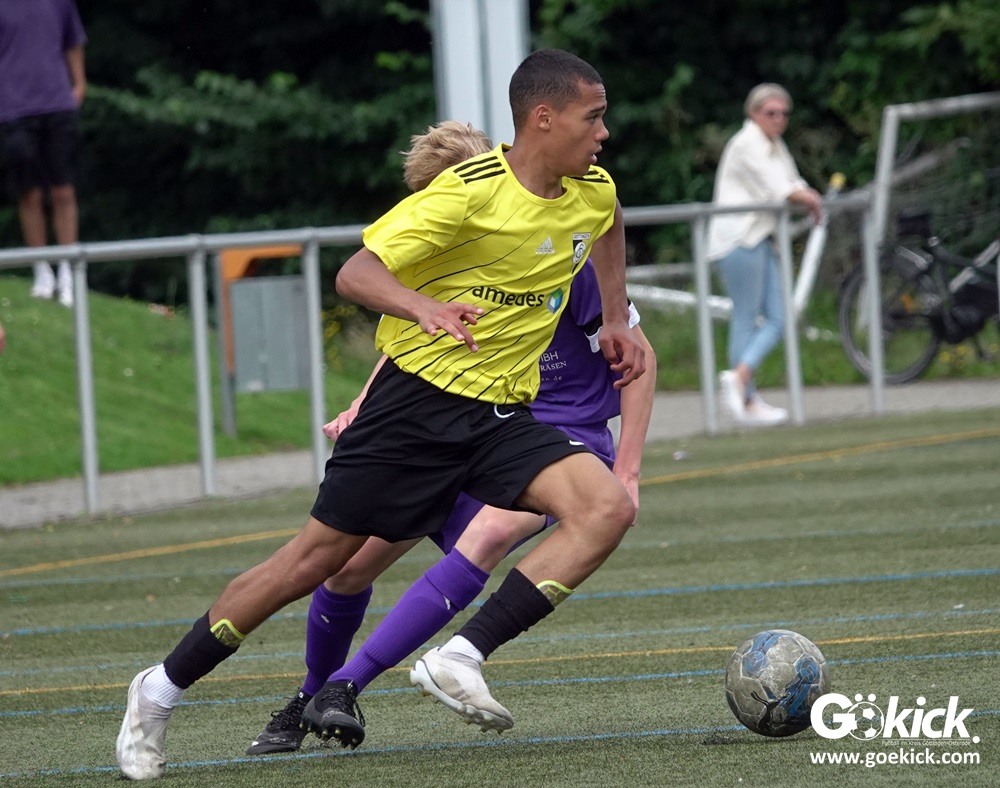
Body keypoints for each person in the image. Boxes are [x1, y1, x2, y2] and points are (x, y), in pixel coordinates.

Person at [116, 48, 645, 780]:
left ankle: (460, 655)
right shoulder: (466, 193)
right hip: (413, 410)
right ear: (544, 118)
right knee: (312, 564)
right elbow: (356, 272)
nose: (604, 133)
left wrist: (615, 315)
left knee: (607, 507)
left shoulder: (591, 189)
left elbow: (609, 221)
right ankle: (159, 689)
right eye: (594, 117)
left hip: (499, 416)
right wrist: (423, 307)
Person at [244, 123, 656, 755]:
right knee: (348, 566)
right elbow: (412, 347)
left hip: (556, 438)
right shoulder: (443, 258)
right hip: (458, 428)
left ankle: (360, 682)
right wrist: (362, 405)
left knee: (486, 534)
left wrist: (626, 472)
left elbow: (639, 361)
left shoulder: (559, 255)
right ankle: (309, 697)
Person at [707, 83, 822, 426]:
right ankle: (745, 396)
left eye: (784, 113)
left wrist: (808, 194)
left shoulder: (773, 143)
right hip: (739, 239)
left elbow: (793, 181)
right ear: (753, 113)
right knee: (746, 316)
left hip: (760, 237)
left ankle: (741, 380)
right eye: (771, 113)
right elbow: (780, 189)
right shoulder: (747, 142)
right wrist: (811, 199)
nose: (779, 119)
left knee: (780, 317)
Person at [0, 0, 86, 308]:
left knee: (63, 191)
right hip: (14, 109)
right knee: (29, 193)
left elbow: (73, 40)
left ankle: (67, 271)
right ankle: (42, 271)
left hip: (57, 103)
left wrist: (79, 83)